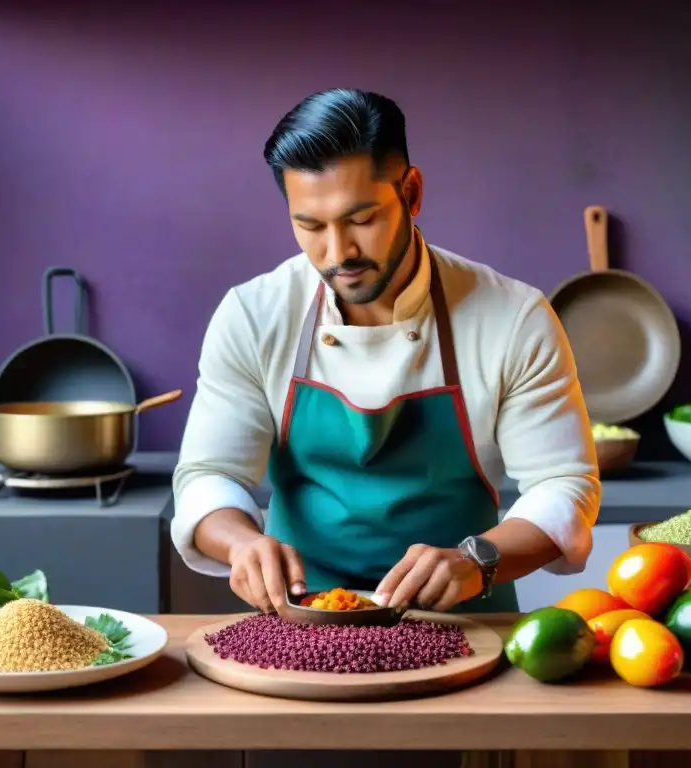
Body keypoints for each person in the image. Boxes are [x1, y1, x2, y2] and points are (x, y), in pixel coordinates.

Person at [171, 88, 600, 615]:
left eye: (362, 219)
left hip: (464, 620)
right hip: (298, 620)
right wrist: (241, 544)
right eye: (309, 225)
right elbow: (208, 475)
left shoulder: (514, 318)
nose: (337, 252)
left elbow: (563, 485)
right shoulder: (253, 315)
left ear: (411, 191)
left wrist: (478, 558)